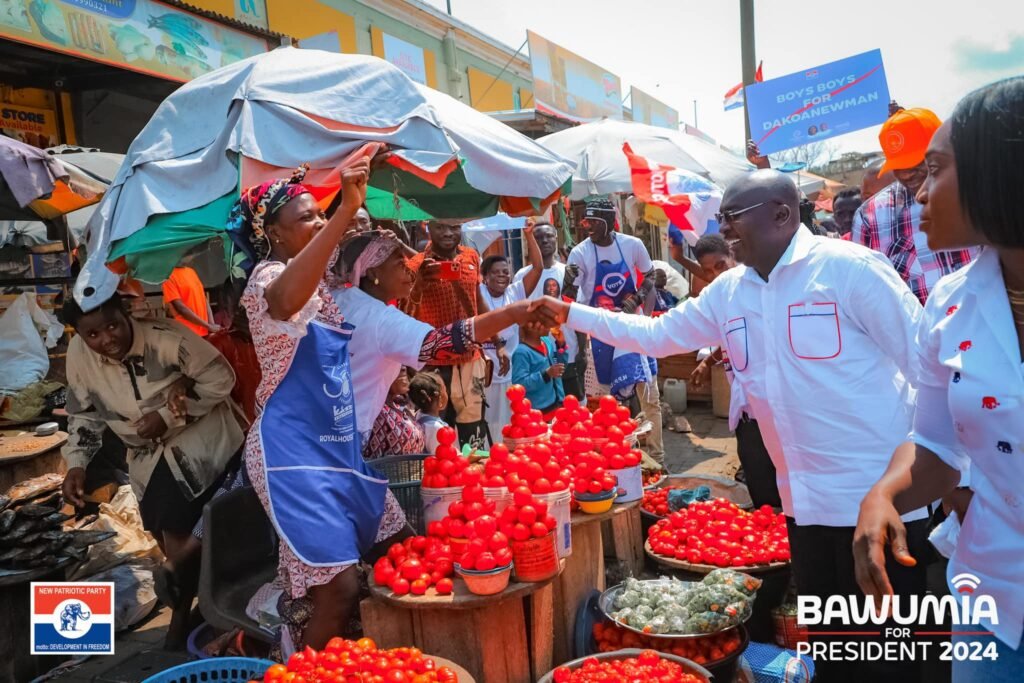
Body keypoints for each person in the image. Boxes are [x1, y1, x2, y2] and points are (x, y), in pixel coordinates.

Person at [535, 169, 927, 682]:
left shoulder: (849, 270)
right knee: (832, 655)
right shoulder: (732, 293)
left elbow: (930, 371)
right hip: (804, 508)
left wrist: (950, 479)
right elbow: (656, 335)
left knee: (887, 658)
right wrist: (567, 312)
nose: (721, 229)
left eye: (732, 216)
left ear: (782, 215)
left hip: (880, 502)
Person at [854, 77, 1024, 682]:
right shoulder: (949, 305)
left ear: (1003, 171)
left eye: (936, 170)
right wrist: (885, 494)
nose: (920, 194)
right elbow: (936, 443)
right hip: (990, 605)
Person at [60, 293, 243, 649]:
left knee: (190, 538)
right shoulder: (79, 356)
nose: (106, 339)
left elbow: (222, 378)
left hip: (202, 446)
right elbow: (83, 412)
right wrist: (77, 463)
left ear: (126, 314)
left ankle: (183, 620)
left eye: (112, 325)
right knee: (167, 537)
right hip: (144, 455)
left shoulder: (167, 339)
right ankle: (202, 608)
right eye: (92, 335)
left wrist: (170, 415)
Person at [334, 228, 543, 448]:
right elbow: (441, 342)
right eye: (399, 264)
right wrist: (511, 314)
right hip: (349, 431)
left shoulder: (337, 297)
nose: (408, 270)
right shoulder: (381, 318)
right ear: (374, 274)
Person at [563, 198, 664, 464]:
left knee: (649, 396)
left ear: (610, 221)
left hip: (634, 330)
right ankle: (614, 457)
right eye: (585, 221)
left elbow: (650, 275)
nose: (588, 227)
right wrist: (569, 283)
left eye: (594, 221)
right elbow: (570, 299)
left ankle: (656, 456)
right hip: (598, 333)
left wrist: (635, 301)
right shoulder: (580, 253)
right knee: (605, 404)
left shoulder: (633, 245)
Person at [688, 234, 781, 509]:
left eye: (720, 265)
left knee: (779, 478)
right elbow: (730, 338)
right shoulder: (720, 297)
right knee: (758, 475)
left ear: (732, 256)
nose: (716, 274)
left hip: (772, 408)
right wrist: (707, 361)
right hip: (745, 411)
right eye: (708, 271)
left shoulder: (752, 289)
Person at [852, 105, 977, 304]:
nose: (908, 173)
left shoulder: (980, 194)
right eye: (899, 166)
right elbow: (867, 291)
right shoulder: (871, 216)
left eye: (917, 161)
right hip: (922, 332)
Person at [402, 222, 503, 448]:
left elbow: (478, 301)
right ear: (429, 228)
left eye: (455, 227)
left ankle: (476, 480)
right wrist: (419, 285)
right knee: (436, 437)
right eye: (441, 227)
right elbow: (405, 314)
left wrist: (497, 341)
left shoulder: (471, 257)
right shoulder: (416, 264)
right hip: (433, 365)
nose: (448, 233)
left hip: (471, 360)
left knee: (474, 434)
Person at [478, 222, 543, 444]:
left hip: (509, 375)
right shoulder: (477, 294)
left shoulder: (516, 291)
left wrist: (529, 235)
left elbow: (538, 268)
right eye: (495, 273)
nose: (502, 276)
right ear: (485, 277)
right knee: (484, 424)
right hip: (483, 375)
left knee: (508, 425)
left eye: (506, 272)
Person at [513, 221, 584, 399]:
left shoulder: (567, 273)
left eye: (549, 236)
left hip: (567, 354)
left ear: (556, 239)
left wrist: (583, 351)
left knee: (572, 410)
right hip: (535, 357)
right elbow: (517, 316)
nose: (544, 241)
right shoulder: (522, 276)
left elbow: (579, 313)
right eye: (538, 238)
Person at [362, 370, 424, 460]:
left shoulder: (399, 406)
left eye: (405, 369)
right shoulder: (377, 411)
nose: (404, 370)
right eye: (399, 370)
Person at [511, 325, 567, 417]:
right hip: (536, 413)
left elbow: (560, 368)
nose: (548, 325)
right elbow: (519, 384)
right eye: (544, 322)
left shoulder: (546, 342)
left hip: (556, 405)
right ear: (530, 326)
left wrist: (561, 345)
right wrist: (546, 374)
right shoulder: (521, 352)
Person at [162, 265, 219, 337]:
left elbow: (203, 298)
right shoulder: (168, 277)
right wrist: (208, 325)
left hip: (204, 331)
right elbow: (181, 308)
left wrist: (211, 323)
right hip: (187, 334)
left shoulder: (191, 271)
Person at [410, 371, 455, 453]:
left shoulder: (418, 415)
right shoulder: (437, 429)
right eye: (445, 389)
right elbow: (443, 458)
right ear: (440, 398)